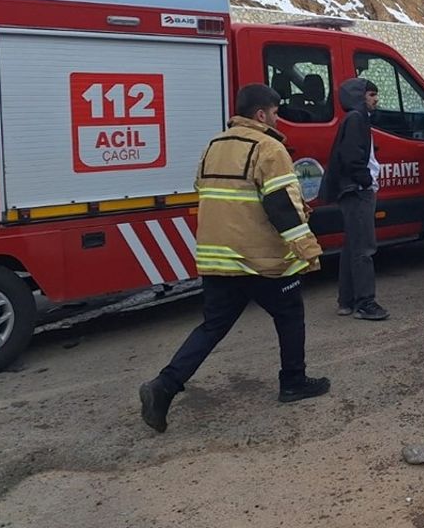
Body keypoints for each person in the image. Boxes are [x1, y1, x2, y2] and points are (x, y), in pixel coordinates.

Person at [139, 85, 329, 433]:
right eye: (274, 112)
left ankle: (163, 387)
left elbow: (207, 192)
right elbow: (280, 206)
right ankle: (293, 382)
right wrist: (309, 250)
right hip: (259, 257)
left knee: (212, 326)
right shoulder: (270, 148)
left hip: (218, 257)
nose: (277, 118)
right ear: (260, 114)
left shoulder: (214, 145)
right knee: (290, 315)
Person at [319, 78, 390, 320]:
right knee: (364, 248)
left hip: (353, 189)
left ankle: (346, 300)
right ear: (360, 96)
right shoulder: (357, 119)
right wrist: (366, 180)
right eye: (371, 94)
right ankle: (365, 302)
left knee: (352, 246)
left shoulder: (355, 118)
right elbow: (352, 156)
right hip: (358, 190)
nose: (375, 99)